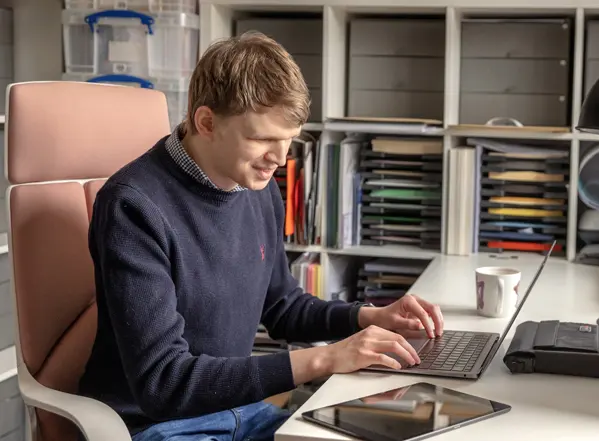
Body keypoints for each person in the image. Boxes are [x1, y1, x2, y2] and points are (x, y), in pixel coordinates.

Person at [78, 31, 445, 441]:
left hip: (239, 412)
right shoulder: (134, 206)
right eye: (262, 139)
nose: (280, 159)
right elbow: (165, 382)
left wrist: (368, 317)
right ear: (206, 122)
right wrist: (325, 358)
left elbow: (281, 304)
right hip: (155, 426)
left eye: (288, 141)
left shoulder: (257, 186)